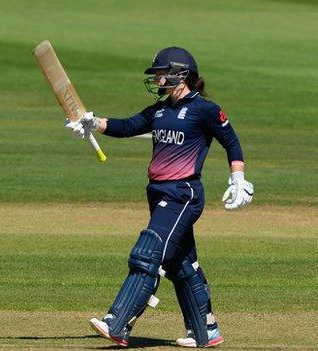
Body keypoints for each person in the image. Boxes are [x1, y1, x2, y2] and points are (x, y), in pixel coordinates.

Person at [65, 47, 253, 348]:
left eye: (161, 73)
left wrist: (238, 178)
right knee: (181, 262)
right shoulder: (160, 110)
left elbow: (230, 139)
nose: (157, 78)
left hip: (183, 194)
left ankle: (119, 320)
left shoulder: (203, 109)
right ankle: (206, 330)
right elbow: (127, 126)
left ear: (181, 74)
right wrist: (93, 124)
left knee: (148, 251)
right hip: (158, 193)